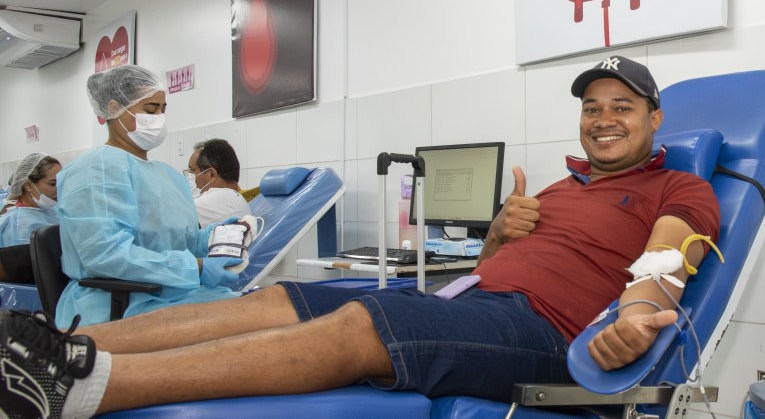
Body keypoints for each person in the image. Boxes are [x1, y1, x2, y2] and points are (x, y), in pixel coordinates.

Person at [0, 55, 721, 419]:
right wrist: (501, 232)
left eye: (622, 107)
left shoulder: (679, 188)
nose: (603, 119)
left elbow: (665, 258)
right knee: (279, 300)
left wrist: (633, 320)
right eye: (592, 107)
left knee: (364, 321)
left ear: (655, 118)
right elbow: (493, 267)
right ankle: (64, 348)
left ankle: (85, 390)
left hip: (545, 333)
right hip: (474, 302)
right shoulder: (559, 190)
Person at [52, 65, 242, 328]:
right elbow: (107, 256)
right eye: (151, 110)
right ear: (115, 108)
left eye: (163, 110)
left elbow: (177, 241)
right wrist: (197, 267)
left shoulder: (166, 175)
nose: (159, 118)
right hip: (118, 304)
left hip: (170, 294)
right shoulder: (98, 169)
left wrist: (214, 238)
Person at [0, 153, 62, 283]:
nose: (59, 189)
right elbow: (24, 271)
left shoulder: (54, 210)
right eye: (53, 183)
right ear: (28, 185)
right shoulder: (18, 223)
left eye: (61, 182)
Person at [187, 139, 251, 227]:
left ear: (212, 174)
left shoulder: (214, 201)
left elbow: (172, 211)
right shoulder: (237, 199)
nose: (192, 176)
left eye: (193, 170)